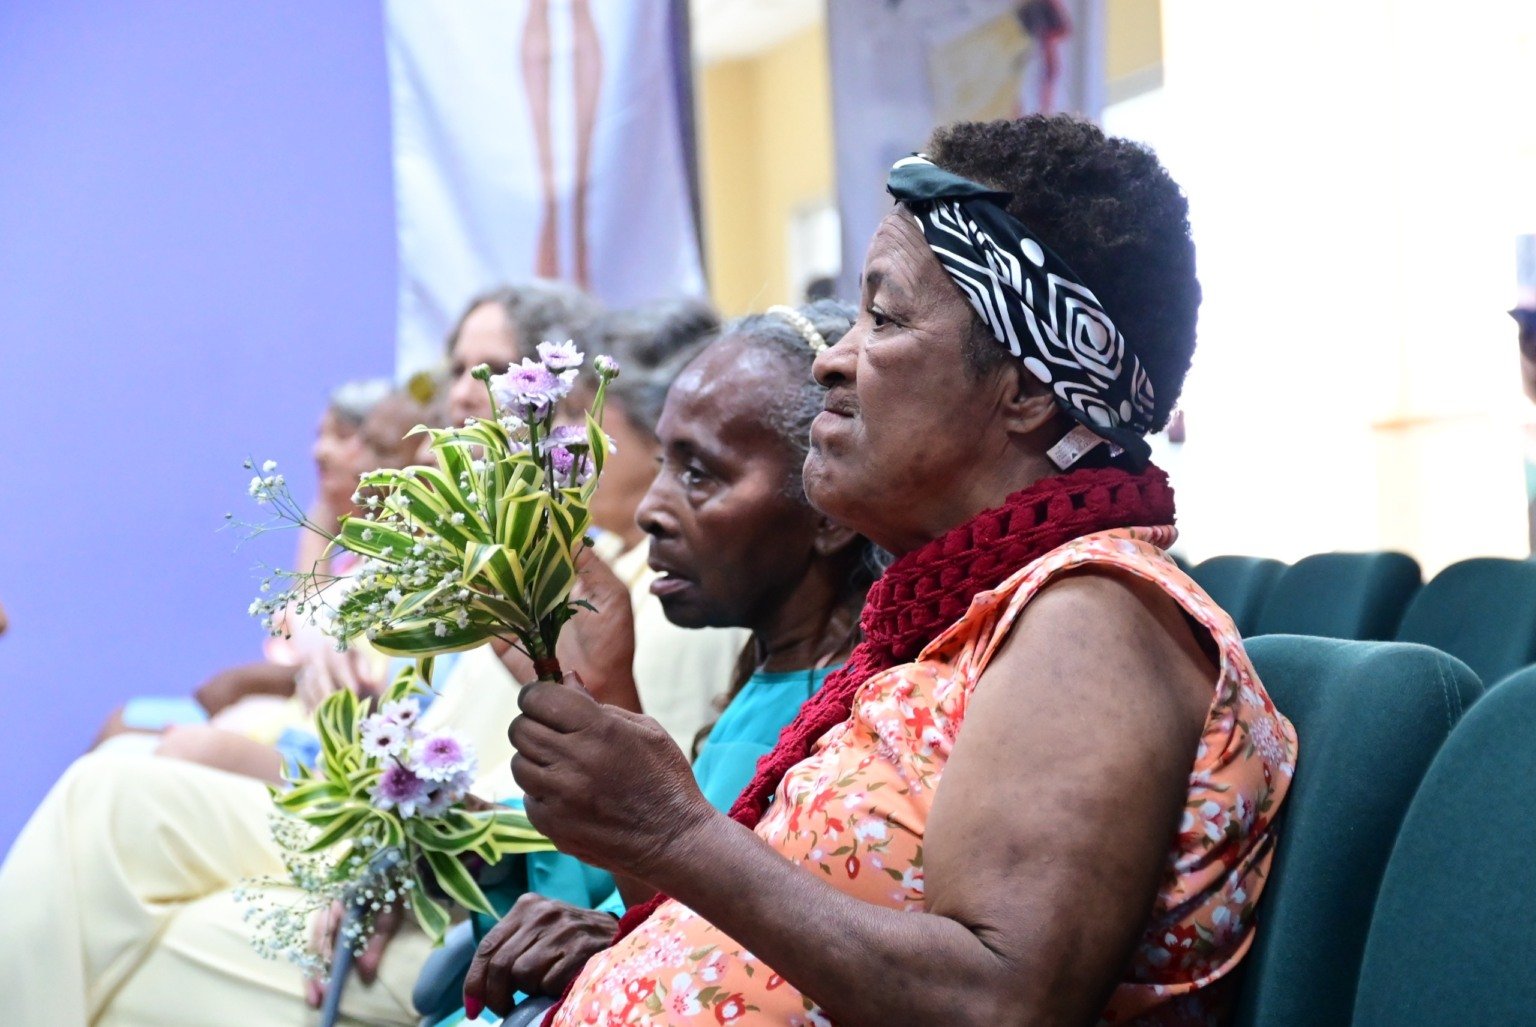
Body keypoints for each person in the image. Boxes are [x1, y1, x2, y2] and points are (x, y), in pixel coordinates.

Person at [499, 115, 1298, 1026]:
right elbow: (812, 929)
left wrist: (677, 834)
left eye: (883, 316)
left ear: (1029, 389)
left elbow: (996, 1001)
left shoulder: (1093, 613)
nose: (833, 361)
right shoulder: (953, 621)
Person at [447, 301, 878, 1022]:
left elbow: (753, 967)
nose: (649, 507)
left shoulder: (839, 724)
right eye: (661, 466)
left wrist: (623, 934)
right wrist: (597, 694)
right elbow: (673, 907)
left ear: (828, 509)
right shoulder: (766, 679)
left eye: (700, 474)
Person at [90, 378, 395, 751]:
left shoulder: (397, 565)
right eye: (320, 435)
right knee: (121, 724)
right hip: (287, 710)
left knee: (126, 738)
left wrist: (249, 680)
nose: (320, 451)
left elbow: (325, 646)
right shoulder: (349, 557)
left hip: (312, 729)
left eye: (344, 435)